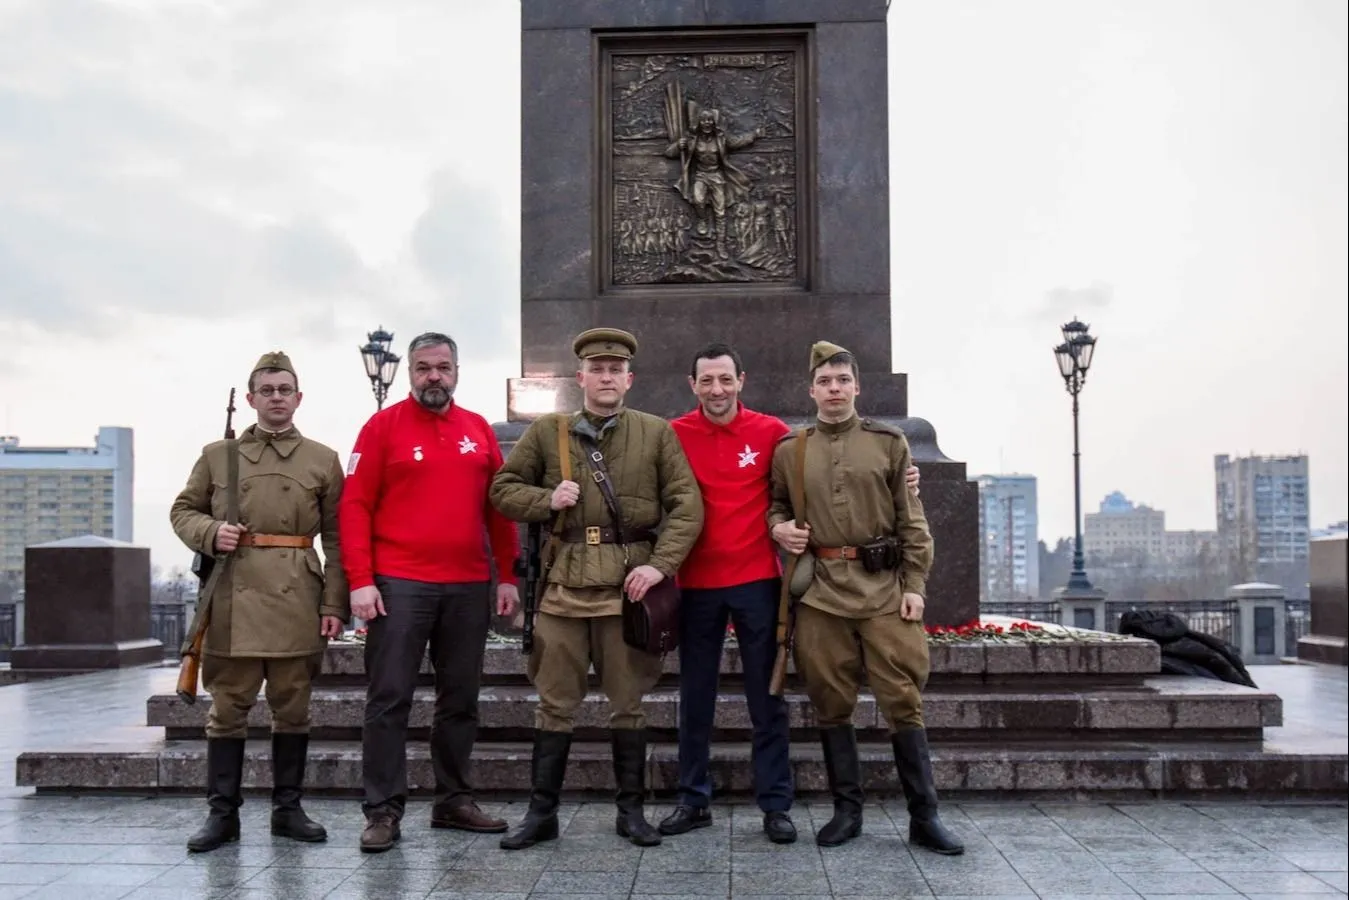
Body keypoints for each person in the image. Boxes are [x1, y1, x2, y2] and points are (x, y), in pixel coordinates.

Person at [661, 342, 919, 845]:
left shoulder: (774, 434)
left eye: (726, 379)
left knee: (768, 699)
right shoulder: (671, 435)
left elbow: (823, 474)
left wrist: (908, 478)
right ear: (692, 385)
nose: (717, 389)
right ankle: (693, 800)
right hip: (693, 583)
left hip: (759, 580)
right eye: (706, 380)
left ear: (742, 380)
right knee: (695, 699)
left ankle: (775, 805)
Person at [489, 327, 704, 850]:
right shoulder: (548, 433)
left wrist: (659, 566)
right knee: (554, 704)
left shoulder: (656, 433)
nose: (606, 377)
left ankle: (630, 814)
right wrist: (546, 500)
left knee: (627, 704)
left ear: (629, 379)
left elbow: (687, 506)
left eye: (615, 369)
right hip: (563, 589)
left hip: (627, 591)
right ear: (580, 377)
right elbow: (501, 490)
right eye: (596, 369)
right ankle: (542, 816)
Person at [767, 340, 963, 855]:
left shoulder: (889, 443)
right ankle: (846, 811)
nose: (835, 390)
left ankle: (925, 817)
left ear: (857, 387)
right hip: (821, 593)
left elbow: (912, 522)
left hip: (883, 591)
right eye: (825, 382)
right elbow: (776, 505)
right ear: (811, 390)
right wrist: (780, 527)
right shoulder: (791, 449)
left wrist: (916, 588)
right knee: (831, 702)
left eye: (843, 381)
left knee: (903, 700)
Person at [338, 332, 521, 853]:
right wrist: (360, 580)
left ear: (457, 371)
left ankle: (453, 801)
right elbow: (354, 506)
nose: (433, 376)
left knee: (460, 700)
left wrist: (506, 574)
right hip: (399, 584)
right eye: (423, 368)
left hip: (467, 585)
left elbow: (498, 509)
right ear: (412, 372)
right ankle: (382, 810)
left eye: (442, 367)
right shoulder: (381, 427)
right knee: (389, 699)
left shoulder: (477, 429)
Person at [169, 351, 348, 853]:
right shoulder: (216, 456)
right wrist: (209, 532)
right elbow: (183, 510)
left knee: (293, 710)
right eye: (266, 391)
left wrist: (334, 604)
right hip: (231, 596)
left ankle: (288, 811)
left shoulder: (323, 458)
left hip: (297, 596)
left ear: (298, 397)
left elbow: (336, 539)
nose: (276, 398)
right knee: (228, 710)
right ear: (251, 399)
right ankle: (222, 816)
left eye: (284, 390)